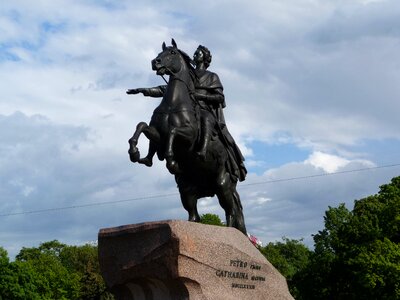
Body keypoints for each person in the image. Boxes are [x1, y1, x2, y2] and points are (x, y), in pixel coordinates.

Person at [127, 45, 247, 182]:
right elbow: (166, 89)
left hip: (202, 108)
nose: (195, 55)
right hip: (186, 107)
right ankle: (150, 156)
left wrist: (201, 96)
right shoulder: (187, 74)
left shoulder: (212, 76)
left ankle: (202, 149)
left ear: (206, 58)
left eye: (199, 53)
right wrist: (144, 90)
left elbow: (220, 98)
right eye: (195, 53)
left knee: (206, 117)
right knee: (161, 119)